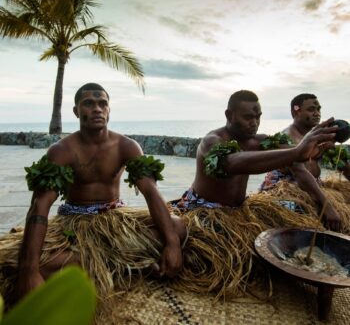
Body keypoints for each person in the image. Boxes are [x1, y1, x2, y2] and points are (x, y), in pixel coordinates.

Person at [1, 83, 186, 304]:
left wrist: (173, 245)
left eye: (102, 104)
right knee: (17, 262)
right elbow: (39, 206)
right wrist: (29, 270)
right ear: (76, 111)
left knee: (177, 228)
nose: (97, 109)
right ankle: (124, 265)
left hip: (116, 220)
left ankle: (101, 266)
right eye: (88, 103)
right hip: (74, 223)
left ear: (109, 110)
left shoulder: (127, 146)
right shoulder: (62, 151)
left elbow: (151, 192)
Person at [171, 90, 338, 298]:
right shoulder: (212, 141)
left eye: (258, 116)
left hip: (240, 211)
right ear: (229, 115)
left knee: (279, 248)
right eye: (248, 117)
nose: (255, 122)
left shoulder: (260, 141)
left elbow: (297, 163)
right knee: (219, 264)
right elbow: (233, 162)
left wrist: (313, 154)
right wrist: (297, 151)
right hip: (204, 211)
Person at [261, 93, 349, 232]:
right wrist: (328, 207)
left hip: (311, 191)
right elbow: (300, 173)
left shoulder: (319, 136)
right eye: (311, 109)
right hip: (286, 195)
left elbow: (341, 163)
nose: (317, 113)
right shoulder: (286, 137)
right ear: (295, 112)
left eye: (318, 109)